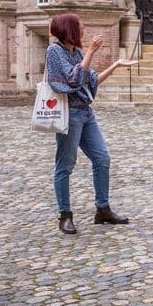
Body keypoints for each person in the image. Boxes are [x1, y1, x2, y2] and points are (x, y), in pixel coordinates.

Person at [45, 13, 136, 235]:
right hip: (70, 115)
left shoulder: (76, 53)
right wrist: (91, 52)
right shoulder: (54, 52)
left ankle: (102, 209)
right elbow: (73, 80)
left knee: (102, 158)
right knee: (65, 165)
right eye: (80, 27)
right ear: (69, 30)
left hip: (86, 112)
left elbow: (91, 80)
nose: (83, 30)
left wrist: (115, 65)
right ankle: (65, 215)